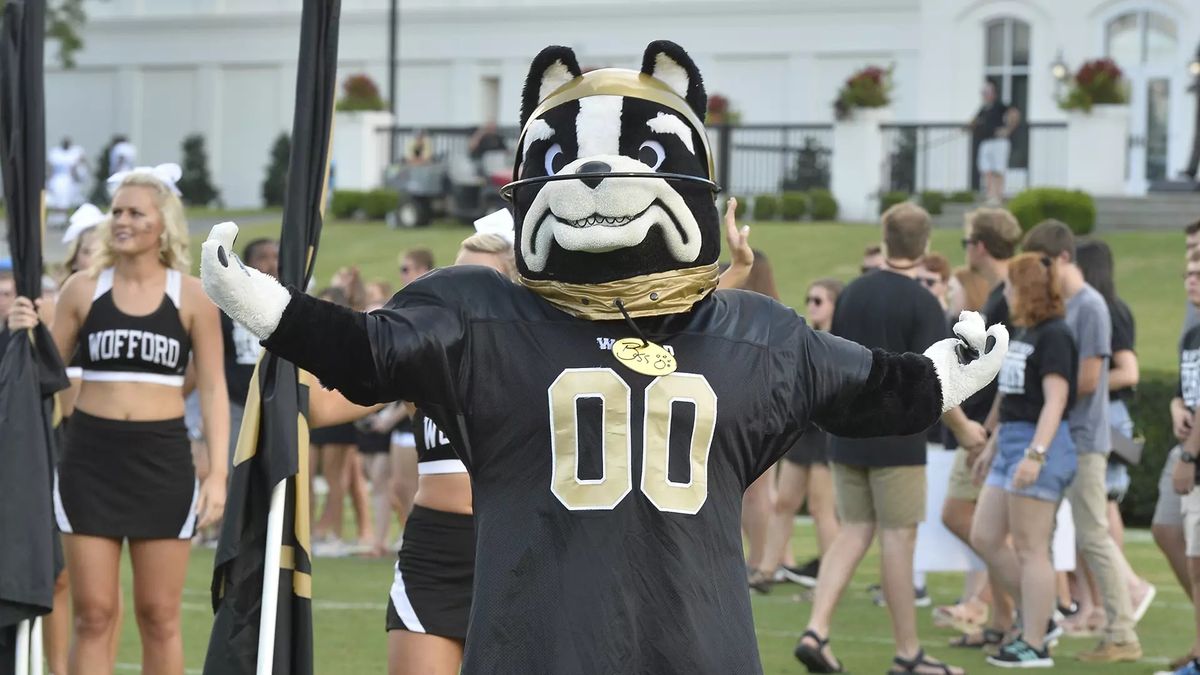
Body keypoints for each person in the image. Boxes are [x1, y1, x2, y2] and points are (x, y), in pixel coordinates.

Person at [200, 42, 1007, 673]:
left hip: (602, 639)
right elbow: (368, 354)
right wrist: (942, 373)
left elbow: (366, 352)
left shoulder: (502, 318)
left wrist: (941, 371)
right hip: (598, 638)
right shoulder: (741, 334)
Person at [7, 166, 229, 674]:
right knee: (94, 616)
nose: (121, 222)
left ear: (162, 224)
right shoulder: (82, 290)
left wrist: (217, 474)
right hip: (89, 460)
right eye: (117, 213)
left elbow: (214, 388)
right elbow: (48, 374)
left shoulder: (192, 295)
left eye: (134, 213)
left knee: (159, 616)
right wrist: (24, 334)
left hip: (163, 462)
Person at [797, 203, 986, 675]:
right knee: (898, 543)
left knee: (853, 532)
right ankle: (908, 654)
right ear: (926, 246)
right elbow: (936, 380)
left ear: (884, 239)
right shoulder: (924, 303)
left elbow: (836, 361)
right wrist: (967, 433)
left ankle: (816, 629)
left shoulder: (854, 292)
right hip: (898, 441)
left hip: (848, 435)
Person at [386, 232, 516, 675]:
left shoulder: (539, 360)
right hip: (435, 552)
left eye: (481, 277)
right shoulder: (425, 354)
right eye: (457, 274)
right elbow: (327, 399)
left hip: (513, 552)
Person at [1022, 220, 1142, 662]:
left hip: (1085, 438)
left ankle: (1123, 633)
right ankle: (1046, 622)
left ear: (1064, 258)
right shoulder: (1061, 305)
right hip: (1061, 435)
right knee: (1049, 534)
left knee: (1092, 535)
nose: (1038, 274)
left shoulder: (1090, 306)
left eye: (1043, 264)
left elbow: (1090, 378)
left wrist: (1044, 387)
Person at [969, 253, 1077, 667]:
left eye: (1012, 286)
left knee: (1032, 548)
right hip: (1011, 440)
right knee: (985, 535)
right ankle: (1040, 614)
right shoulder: (1024, 330)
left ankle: (1035, 642)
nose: (1007, 294)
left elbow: (1057, 400)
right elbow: (1008, 396)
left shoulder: (1055, 335)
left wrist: (1036, 454)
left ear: (1027, 288)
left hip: (1040, 442)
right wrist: (992, 445)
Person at [1072, 239, 1156, 634]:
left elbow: (1130, 372)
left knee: (1102, 507)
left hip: (1107, 415)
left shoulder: (1109, 311)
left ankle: (1125, 591)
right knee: (1093, 509)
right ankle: (1095, 605)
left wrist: (1082, 383)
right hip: (1099, 415)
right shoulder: (1095, 308)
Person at [753, 278, 843, 590]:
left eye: (819, 300)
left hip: (825, 433)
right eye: (809, 299)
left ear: (835, 305)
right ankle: (766, 571)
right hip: (801, 432)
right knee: (784, 503)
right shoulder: (806, 338)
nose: (812, 306)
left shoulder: (840, 343)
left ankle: (831, 578)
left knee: (821, 509)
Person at [1170, 249, 1200, 675]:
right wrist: (1177, 407)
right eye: (1188, 273)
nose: (1191, 280)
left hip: (1196, 458)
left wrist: (1189, 455)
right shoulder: (1192, 334)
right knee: (1195, 568)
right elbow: (1186, 391)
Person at [969, 82, 1021, 204]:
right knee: (986, 169)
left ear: (993, 94)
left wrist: (1008, 129)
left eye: (987, 93)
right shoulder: (983, 109)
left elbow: (1015, 114)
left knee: (998, 169)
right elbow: (974, 122)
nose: (985, 95)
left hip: (999, 142)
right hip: (985, 142)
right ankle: (990, 195)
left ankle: (998, 195)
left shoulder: (999, 106)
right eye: (983, 93)